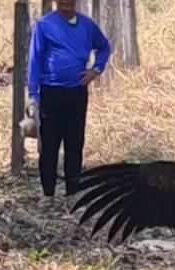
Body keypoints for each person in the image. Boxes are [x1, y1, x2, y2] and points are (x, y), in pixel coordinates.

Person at [26, 0, 112, 211]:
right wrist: (33, 94)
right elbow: (35, 59)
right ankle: (48, 195)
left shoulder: (87, 25)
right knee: (49, 146)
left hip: (77, 93)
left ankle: (72, 194)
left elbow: (104, 47)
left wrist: (96, 69)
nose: (66, 1)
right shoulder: (44, 25)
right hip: (51, 93)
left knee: (75, 143)